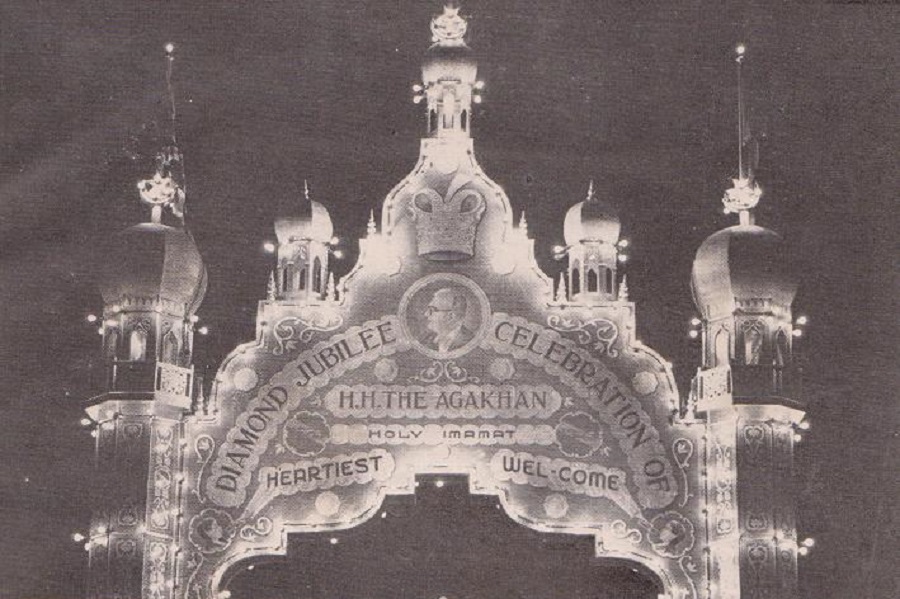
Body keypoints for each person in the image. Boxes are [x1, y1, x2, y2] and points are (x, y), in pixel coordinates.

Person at [420, 287, 474, 353]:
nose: (426, 314)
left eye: (432, 310)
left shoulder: (469, 342)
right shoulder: (427, 340)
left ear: (451, 315)